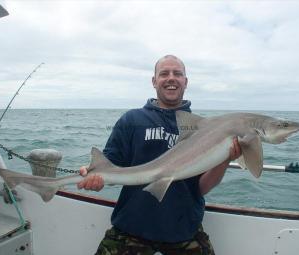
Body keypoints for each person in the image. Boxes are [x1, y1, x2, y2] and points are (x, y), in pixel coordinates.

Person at [78, 55, 242, 255]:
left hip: (184, 230)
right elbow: (109, 166)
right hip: (131, 227)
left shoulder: (203, 129)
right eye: (164, 73)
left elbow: (201, 187)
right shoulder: (132, 120)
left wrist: (224, 159)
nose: (171, 78)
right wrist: (93, 175)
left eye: (177, 74)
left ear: (186, 82)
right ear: (154, 81)